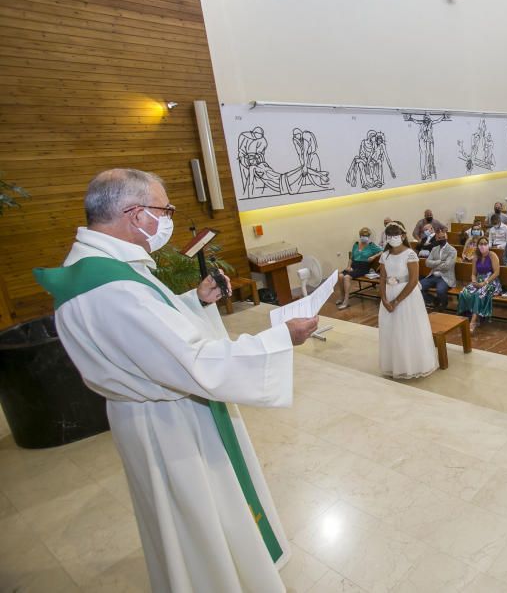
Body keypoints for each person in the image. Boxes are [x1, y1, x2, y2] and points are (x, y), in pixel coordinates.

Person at [34, 169, 319, 592]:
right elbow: (193, 360)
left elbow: (154, 336)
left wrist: (194, 301)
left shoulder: (98, 269)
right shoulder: (111, 286)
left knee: (187, 516)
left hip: (149, 414)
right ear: (134, 214)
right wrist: (280, 338)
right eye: (163, 209)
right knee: (201, 514)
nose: (167, 218)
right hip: (170, 423)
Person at [378, 224, 439, 379]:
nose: (392, 238)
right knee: (392, 330)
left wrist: (396, 301)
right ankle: (395, 365)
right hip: (389, 293)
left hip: (407, 296)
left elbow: (413, 281)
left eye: (396, 234)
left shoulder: (410, 254)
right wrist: (384, 299)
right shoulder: (385, 255)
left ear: (403, 236)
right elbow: (382, 278)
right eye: (389, 235)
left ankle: (413, 365)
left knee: (407, 329)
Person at [457, 236, 501, 332]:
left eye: (485, 243)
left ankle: (473, 321)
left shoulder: (492, 255)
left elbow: (496, 273)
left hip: (491, 281)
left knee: (479, 294)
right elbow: (473, 273)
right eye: (481, 244)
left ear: (488, 245)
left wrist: (484, 283)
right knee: (464, 292)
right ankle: (466, 316)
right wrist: (474, 281)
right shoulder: (476, 257)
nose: (483, 246)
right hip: (478, 279)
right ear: (478, 246)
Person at [334, 226, 383, 310]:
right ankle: (342, 297)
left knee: (347, 277)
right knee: (340, 276)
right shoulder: (356, 245)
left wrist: (374, 256)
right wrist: (348, 266)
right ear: (360, 236)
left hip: (363, 266)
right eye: (363, 235)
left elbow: (383, 250)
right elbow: (351, 258)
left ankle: (346, 301)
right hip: (354, 265)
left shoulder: (371, 245)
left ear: (369, 236)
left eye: (366, 235)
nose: (364, 237)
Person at [420, 224, 456, 310]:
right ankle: (434, 300)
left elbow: (447, 266)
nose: (441, 239)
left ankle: (443, 304)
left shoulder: (452, 250)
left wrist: (434, 264)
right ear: (436, 238)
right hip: (433, 275)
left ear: (446, 237)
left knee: (440, 291)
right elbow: (427, 263)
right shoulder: (434, 249)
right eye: (439, 238)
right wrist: (439, 262)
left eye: (443, 237)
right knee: (417, 287)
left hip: (445, 277)